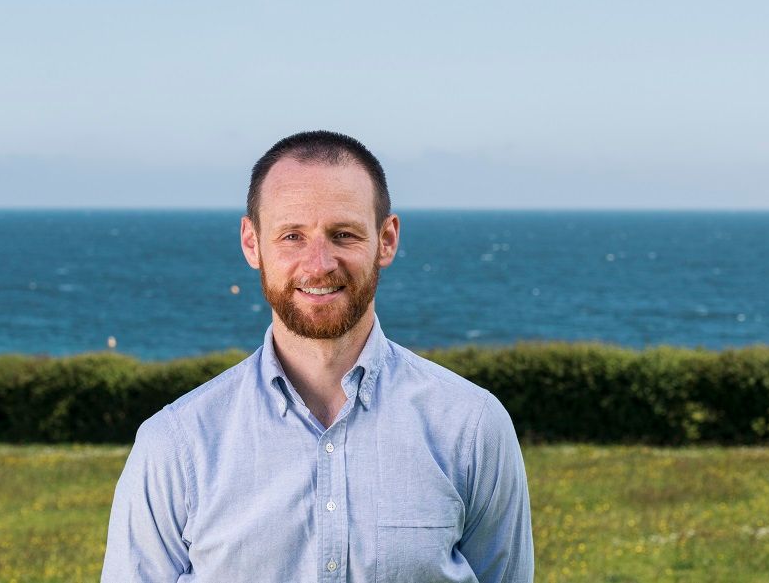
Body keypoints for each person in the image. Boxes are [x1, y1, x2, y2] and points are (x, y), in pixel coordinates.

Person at [101, 130, 533, 582]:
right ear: (252, 243)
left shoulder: (472, 427)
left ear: (386, 240)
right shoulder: (175, 444)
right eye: (292, 236)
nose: (319, 263)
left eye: (343, 235)